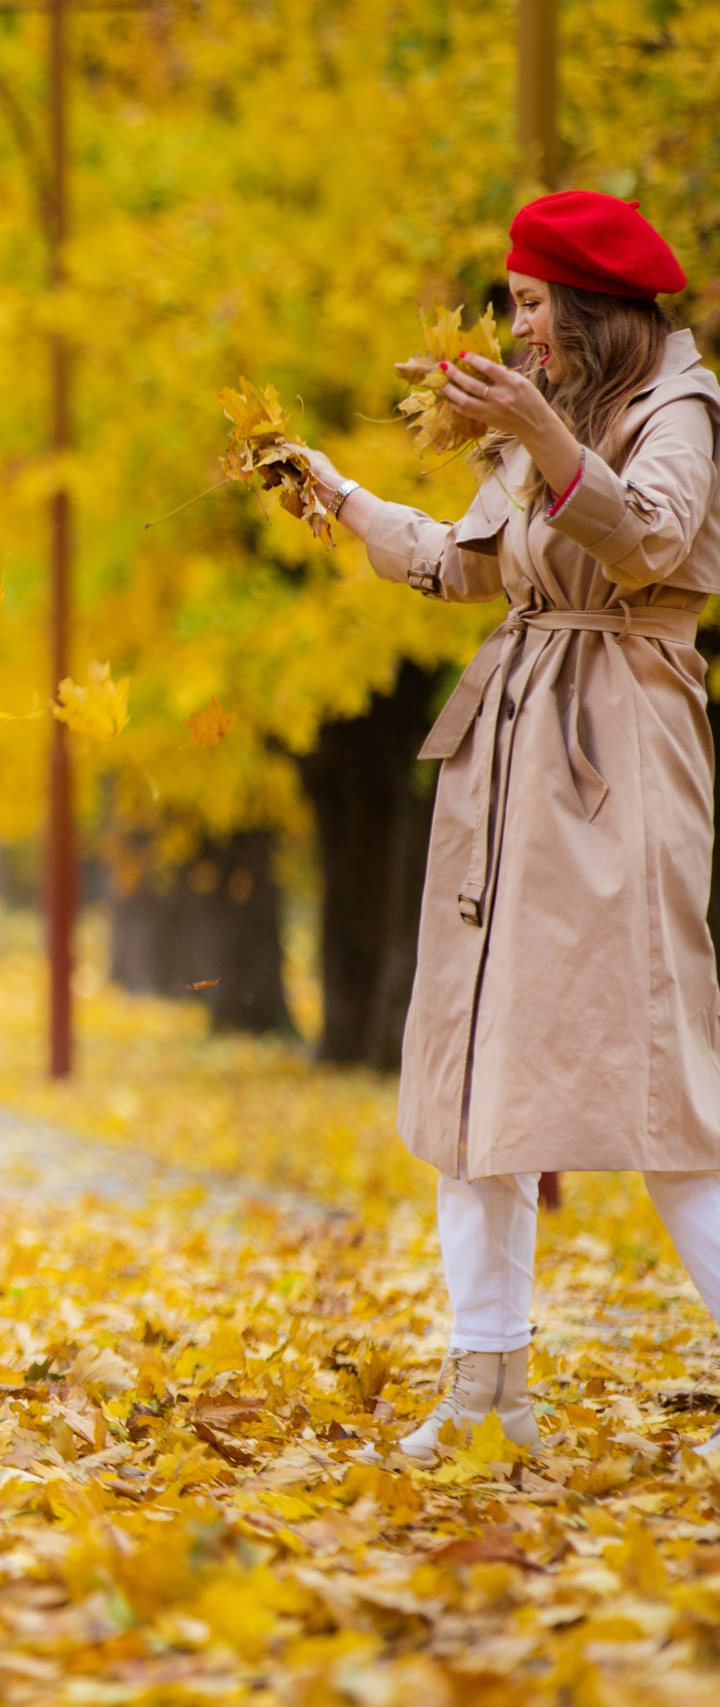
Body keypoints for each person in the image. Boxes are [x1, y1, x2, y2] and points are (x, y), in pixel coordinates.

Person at [302, 190, 720, 1461]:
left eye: (533, 302)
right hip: (508, 759)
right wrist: (342, 500)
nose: (518, 325)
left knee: (662, 1080)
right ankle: (487, 1393)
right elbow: (465, 563)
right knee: (476, 1073)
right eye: (515, 303)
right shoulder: (558, 410)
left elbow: (649, 543)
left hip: (619, 755)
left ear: (591, 307)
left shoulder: (677, 409)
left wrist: (537, 431)